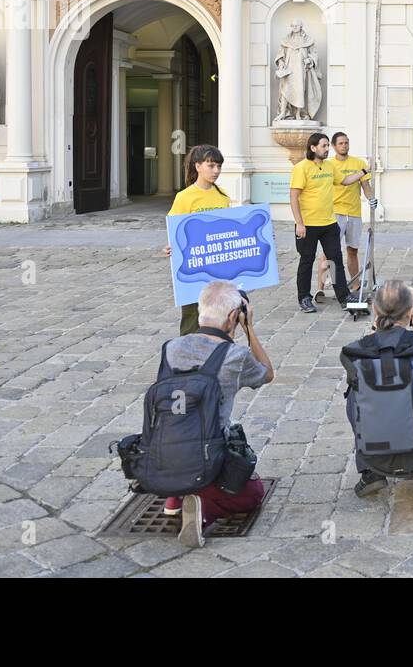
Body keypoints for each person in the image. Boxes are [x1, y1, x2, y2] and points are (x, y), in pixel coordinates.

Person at [160, 281, 275, 548]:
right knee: (253, 493)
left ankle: (174, 497)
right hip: (207, 457)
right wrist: (249, 328)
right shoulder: (235, 356)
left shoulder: (171, 347)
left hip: (164, 455)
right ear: (234, 316)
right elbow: (267, 373)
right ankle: (202, 511)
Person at [341, 280, 413, 513]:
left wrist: (376, 332)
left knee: (359, 395)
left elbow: (381, 349)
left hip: (372, 452)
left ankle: (370, 474)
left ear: (374, 309)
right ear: (410, 312)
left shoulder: (354, 352)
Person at [289, 132, 367, 313]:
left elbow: (346, 181)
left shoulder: (330, 166)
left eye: (327, 146)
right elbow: (294, 197)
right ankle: (304, 298)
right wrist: (299, 223)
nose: (327, 149)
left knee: (336, 260)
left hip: (329, 223)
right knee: (306, 261)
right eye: (324, 146)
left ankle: (344, 296)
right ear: (313, 148)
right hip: (307, 225)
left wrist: (363, 172)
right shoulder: (301, 168)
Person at [163, 145, 231, 335]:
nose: (216, 171)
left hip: (217, 267)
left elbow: (228, 229)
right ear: (198, 166)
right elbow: (175, 230)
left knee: (218, 316)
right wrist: (171, 247)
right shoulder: (185, 197)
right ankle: (188, 358)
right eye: (211, 166)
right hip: (192, 269)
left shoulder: (223, 196)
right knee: (192, 318)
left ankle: (214, 354)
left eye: (219, 166)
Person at [315, 132, 377, 301]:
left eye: (346, 143)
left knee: (353, 250)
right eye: (341, 143)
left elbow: (365, 184)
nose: (344, 146)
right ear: (334, 146)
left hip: (354, 212)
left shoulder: (358, 163)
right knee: (329, 252)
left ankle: (355, 286)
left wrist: (371, 199)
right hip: (335, 213)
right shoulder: (328, 165)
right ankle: (321, 288)